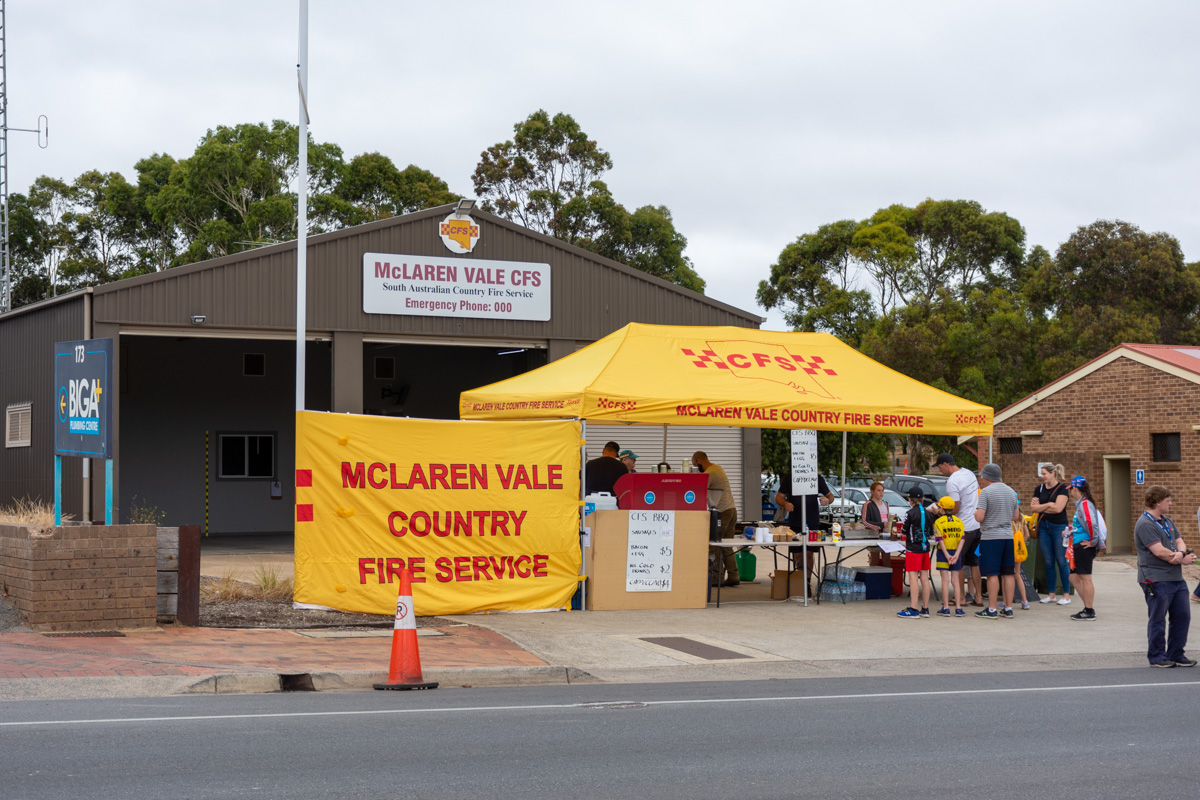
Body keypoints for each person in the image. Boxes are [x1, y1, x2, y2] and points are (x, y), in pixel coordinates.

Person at [1133, 486, 1197, 667]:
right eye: (1168, 500)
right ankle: (1157, 656)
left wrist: (1181, 553)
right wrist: (1180, 559)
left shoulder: (1167, 521)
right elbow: (1159, 552)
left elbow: (1179, 541)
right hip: (1156, 578)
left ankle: (1176, 653)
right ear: (1157, 502)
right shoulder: (1145, 524)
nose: (1171, 503)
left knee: (1182, 616)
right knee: (1158, 618)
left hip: (1175, 578)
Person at [935, 453, 982, 607]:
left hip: (964, 527)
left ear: (944, 464)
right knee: (974, 563)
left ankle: (961, 597)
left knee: (958, 564)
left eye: (940, 467)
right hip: (976, 526)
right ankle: (978, 597)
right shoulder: (969, 473)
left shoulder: (952, 481)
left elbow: (956, 507)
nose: (941, 471)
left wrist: (942, 511)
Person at [974, 463, 1021, 619]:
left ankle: (992, 609)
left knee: (991, 573)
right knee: (1008, 572)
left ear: (987, 476)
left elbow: (980, 516)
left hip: (991, 537)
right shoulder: (1011, 492)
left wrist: (975, 515)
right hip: (1008, 536)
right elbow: (1015, 517)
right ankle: (1008, 608)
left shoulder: (986, 492)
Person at [776, 468, 834, 592]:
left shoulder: (817, 478)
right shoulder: (790, 477)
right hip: (795, 522)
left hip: (812, 521)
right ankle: (800, 581)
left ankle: (806, 583)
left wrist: (827, 500)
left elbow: (830, 495)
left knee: (808, 552)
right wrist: (785, 503)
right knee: (798, 553)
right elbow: (779, 497)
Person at [693, 451, 739, 587]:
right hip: (731, 509)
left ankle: (716, 578)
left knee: (715, 545)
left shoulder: (709, 472)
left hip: (722, 512)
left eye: (695, 464)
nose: (696, 467)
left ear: (700, 460)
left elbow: (699, 490)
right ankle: (733, 575)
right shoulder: (718, 468)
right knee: (727, 546)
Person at [1030, 463, 1072, 605]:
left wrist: (1043, 506)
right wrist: (1049, 505)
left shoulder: (1063, 489)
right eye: (1041, 474)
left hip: (1059, 527)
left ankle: (1066, 595)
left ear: (1052, 473)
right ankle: (1052, 594)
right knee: (1048, 561)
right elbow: (1033, 508)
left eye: (1044, 474)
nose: (1042, 477)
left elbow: (1058, 509)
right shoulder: (1039, 489)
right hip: (1043, 527)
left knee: (1061, 560)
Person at [1067, 476, 1105, 621]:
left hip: (1083, 545)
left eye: (1071, 489)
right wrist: (1072, 530)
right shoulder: (1083, 504)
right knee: (1074, 576)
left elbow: (1091, 523)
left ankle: (1089, 610)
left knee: (1085, 578)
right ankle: (1088, 607)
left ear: (1075, 488)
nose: (1070, 492)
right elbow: (1086, 524)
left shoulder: (1084, 504)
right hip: (1079, 542)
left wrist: (1093, 542)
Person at [897, 486, 933, 618]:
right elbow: (930, 533)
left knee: (913, 578)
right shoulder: (929, 513)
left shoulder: (910, 513)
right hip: (925, 549)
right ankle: (925, 608)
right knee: (924, 578)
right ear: (923, 499)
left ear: (909, 499)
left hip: (913, 549)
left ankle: (913, 608)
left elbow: (904, 531)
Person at [932, 495, 965, 617]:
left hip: (943, 553)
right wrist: (956, 555)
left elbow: (939, 540)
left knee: (945, 580)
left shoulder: (938, 522)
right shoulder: (959, 522)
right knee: (955, 581)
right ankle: (958, 608)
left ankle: (946, 607)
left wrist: (946, 555)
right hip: (956, 552)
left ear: (942, 509)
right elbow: (962, 539)